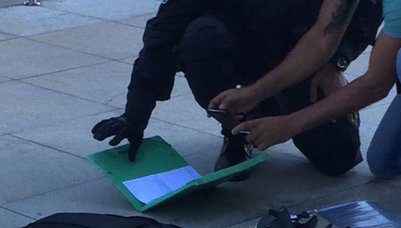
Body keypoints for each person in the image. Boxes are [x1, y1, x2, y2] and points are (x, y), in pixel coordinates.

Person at [213, 0, 401, 212]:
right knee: (388, 163)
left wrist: (289, 124)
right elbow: (322, 37)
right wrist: (254, 93)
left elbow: (376, 84)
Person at [91, 0, 382, 181]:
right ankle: (236, 132)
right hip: (239, 49)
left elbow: (364, 10)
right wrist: (136, 114)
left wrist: (336, 62)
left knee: (339, 160)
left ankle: (272, 110)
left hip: (303, 59)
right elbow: (162, 33)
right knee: (199, 37)